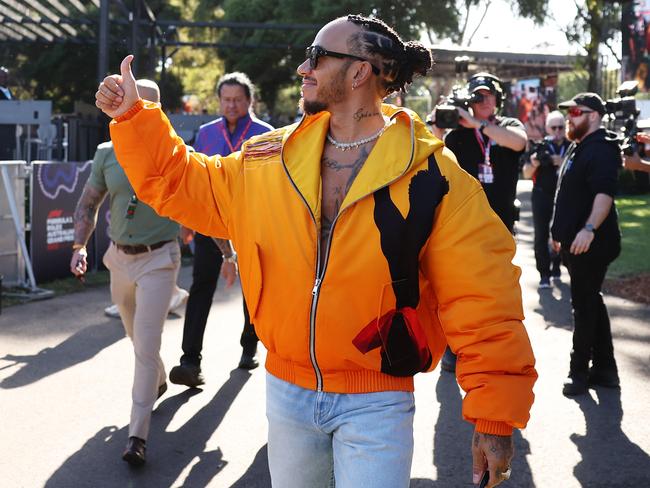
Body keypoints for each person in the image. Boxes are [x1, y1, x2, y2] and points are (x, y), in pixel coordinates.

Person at [96, 15, 537, 488]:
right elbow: (184, 184)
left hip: (377, 399)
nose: (303, 68)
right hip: (287, 392)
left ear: (359, 72)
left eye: (317, 56)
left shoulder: (434, 175)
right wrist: (133, 118)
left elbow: (483, 297)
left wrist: (493, 418)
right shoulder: (268, 157)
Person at [71, 79, 181, 467]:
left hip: (159, 259)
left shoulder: (173, 152)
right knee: (137, 338)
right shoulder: (106, 152)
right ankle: (160, 379)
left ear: (159, 113)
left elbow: (202, 203)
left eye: (145, 107)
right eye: (129, 105)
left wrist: (228, 252)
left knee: (145, 345)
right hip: (120, 258)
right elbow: (88, 204)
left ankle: (138, 435)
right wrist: (78, 247)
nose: (136, 113)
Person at [168, 72, 274, 388]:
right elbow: (195, 183)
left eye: (237, 100)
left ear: (249, 101)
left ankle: (248, 345)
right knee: (202, 285)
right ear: (219, 101)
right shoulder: (205, 133)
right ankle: (190, 360)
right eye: (226, 100)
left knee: (253, 287)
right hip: (210, 223)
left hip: (255, 224)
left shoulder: (266, 134)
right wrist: (187, 221)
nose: (231, 105)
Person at [430, 73, 528, 372]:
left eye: (486, 96)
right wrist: (437, 123)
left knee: (495, 290)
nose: (481, 101)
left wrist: (481, 126)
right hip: (462, 224)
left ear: (497, 99)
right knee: (457, 287)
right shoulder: (458, 133)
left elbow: (519, 143)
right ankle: (452, 347)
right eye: (476, 97)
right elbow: (431, 152)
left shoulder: (508, 125)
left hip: (499, 224)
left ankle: (492, 347)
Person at [551, 93, 622, 397]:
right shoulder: (579, 146)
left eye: (576, 111)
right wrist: (559, 233)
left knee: (583, 305)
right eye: (568, 112)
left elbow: (604, 194)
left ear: (593, 115)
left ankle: (578, 372)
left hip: (591, 243)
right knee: (591, 300)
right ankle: (606, 370)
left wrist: (589, 229)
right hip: (574, 242)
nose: (570, 116)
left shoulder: (602, 148)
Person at [522, 111, 569, 289]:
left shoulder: (571, 146)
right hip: (542, 195)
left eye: (560, 127)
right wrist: (534, 163)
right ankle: (544, 274)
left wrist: (561, 161)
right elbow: (526, 174)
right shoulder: (539, 147)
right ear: (547, 128)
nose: (557, 131)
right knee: (541, 235)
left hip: (564, 197)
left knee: (560, 232)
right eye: (553, 127)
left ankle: (557, 266)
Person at [0, 66, 17, 160]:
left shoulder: (9, 91)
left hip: (10, 132)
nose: (3, 79)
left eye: (5, 76)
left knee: (9, 159)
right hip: (1, 131)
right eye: (1, 76)